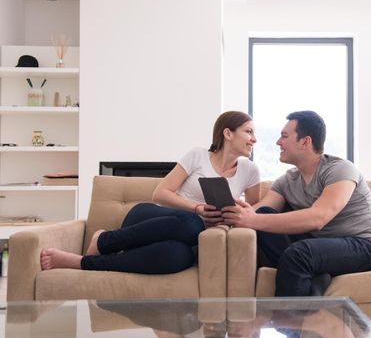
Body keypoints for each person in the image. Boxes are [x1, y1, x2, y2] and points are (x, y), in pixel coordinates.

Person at [41, 111, 260, 274]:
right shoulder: (197, 155)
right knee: (192, 222)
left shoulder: (250, 171)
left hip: (190, 239)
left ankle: (82, 263)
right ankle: (103, 241)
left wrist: (235, 212)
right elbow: (160, 193)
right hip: (154, 219)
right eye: (249, 131)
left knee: (177, 258)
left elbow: (253, 214)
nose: (254, 139)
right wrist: (198, 208)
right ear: (228, 133)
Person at [222, 110, 371, 297]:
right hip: (321, 246)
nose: (278, 142)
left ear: (305, 142)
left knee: (300, 253)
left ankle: (288, 325)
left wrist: (252, 220)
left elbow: (318, 218)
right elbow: (259, 212)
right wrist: (232, 215)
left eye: (284, 136)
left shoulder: (340, 169)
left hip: (367, 246)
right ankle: (316, 274)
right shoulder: (287, 181)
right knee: (266, 214)